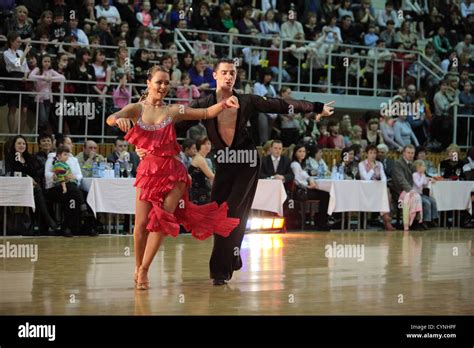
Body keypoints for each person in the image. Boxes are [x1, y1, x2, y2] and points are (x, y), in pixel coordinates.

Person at [138, 58, 335, 285]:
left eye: (232, 73)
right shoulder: (204, 103)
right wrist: (147, 146)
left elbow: (280, 104)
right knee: (216, 214)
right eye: (224, 72)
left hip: (248, 163)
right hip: (224, 163)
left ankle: (220, 271)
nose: (229, 76)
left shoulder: (247, 100)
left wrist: (317, 107)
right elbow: (174, 128)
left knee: (231, 214)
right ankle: (233, 256)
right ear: (215, 76)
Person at [106, 65, 241, 290]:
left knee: (162, 218)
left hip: (174, 172)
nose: (163, 86)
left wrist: (224, 103)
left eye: (167, 82)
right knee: (140, 225)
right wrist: (117, 120)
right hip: (147, 172)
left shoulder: (173, 111)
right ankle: (138, 267)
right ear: (149, 82)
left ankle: (145, 270)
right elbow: (112, 117)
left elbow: (205, 113)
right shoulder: (136, 108)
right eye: (159, 82)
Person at [5, 135, 57, 234]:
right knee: (37, 191)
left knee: (37, 191)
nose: (22, 145)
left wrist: (32, 180)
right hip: (15, 188)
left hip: (29, 188)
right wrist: (26, 176)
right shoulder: (11, 157)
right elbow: (10, 173)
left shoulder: (29, 157)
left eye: (24, 143)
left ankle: (38, 225)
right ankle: (48, 221)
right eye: (19, 143)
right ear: (14, 145)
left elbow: (35, 174)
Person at [290, 144, 331, 230]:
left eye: (304, 151)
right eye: (300, 151)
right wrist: (308, 186)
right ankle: (321, 222)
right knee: (325, 195)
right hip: (300, 191)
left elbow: (307, 176)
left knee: (325, 193)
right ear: (295, 153)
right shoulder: (295, 164)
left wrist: (311, 180)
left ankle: (320, 220)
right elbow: (297, 180)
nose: (302, 153)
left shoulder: (301, 164)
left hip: (305, 188)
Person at [358, 144, 395, 230]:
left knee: (386, 191)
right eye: (371, 153)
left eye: (375, 153)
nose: (373, 155)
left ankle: (386, 219)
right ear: (366, 154)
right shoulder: (361, 164)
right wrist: (372, 168)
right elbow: (366, 178)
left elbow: (384, 178)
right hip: (366, 190)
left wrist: (382, 184)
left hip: (377, 189)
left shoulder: (380, 164)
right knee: (386, 192)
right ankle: (386, 219)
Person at [413, 160, 439, 228]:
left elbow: (424, 184)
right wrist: (423, 177)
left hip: (421, 194)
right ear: (418, 167)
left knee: (432, 200)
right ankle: (425, 221)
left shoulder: (422, 175)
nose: (425, 168)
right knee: (426, 202)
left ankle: (433, 219)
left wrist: (429, 180)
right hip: (415, 195)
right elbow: (418, 185)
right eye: (423, 166)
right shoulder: (415, 175)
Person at [189, 137, 214, 205]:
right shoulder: (200, 159)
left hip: (200, 190)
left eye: (209, 144)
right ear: (199, 146)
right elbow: (211, 176)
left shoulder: (201, 158)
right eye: (204, 144)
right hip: (198, 192)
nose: (207, 146)